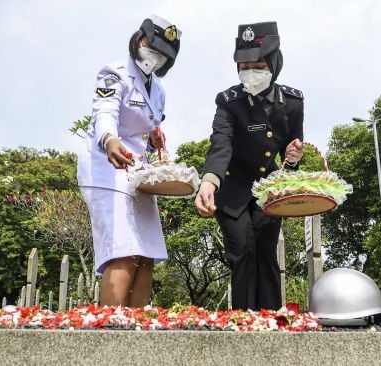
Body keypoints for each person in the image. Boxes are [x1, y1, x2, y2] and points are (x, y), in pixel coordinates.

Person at [194, 21, 304, 311]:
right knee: (243, 248)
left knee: (266, 251)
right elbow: (221, 144)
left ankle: (270, 319)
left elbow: (292, 152)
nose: (249, 71)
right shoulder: (229, 102)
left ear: (274, 63)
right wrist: (208, 182)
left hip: (267, 190)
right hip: (231, 189)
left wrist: (292, 160)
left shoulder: (293, 102)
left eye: (257, 64)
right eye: (244, 66)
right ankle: (243, 320)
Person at [77, 15, 181, 307]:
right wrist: (110, 140)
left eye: (162, 54)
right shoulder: (115, 72)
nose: (154, 55)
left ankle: (136, 331)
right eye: (152, 46)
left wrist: (154, 142)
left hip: (138, 175)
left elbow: (145, 136)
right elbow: (105, 113)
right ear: (139, 39)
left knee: (146, 254)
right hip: (106, 168)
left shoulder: (159, 90)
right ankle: (109, 329)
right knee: (123, 251)